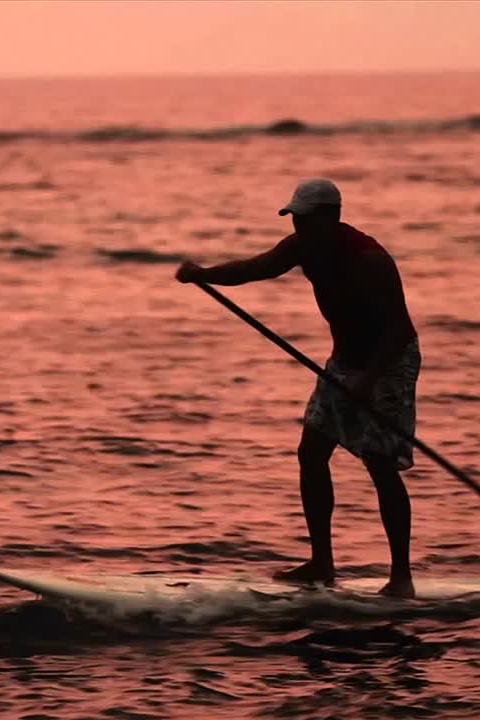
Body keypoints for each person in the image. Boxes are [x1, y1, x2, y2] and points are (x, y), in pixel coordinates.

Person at [175, 178, 421, 598]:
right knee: (311, 453)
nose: (296, 228)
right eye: (294, 221)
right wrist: (204, 275)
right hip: (344, 363)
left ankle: (401, 578)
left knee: (379, 464)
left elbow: (400, 330)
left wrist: (368, 381)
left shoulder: (369, 260)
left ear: (328, 217)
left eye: (303, 220)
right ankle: (322, 564)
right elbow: (254, 269)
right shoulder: (303, 246)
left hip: (388, 364)